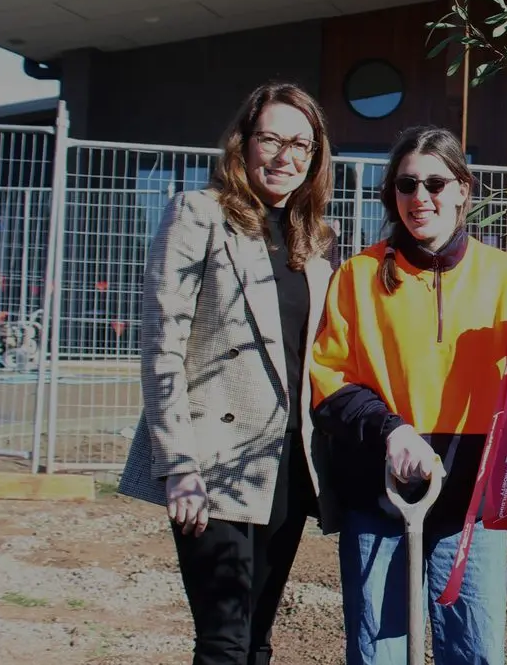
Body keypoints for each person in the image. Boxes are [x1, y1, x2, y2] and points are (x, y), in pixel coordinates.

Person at [309, 124, 507, 665]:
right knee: (380, 654)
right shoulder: (358, 276)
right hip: (380, 497)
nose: (420, 197)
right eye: (406, 184)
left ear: (463, 188)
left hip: (470, 505)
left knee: (475, 652)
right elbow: (329, 381)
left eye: (436, 183)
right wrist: (391, 429)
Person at [120, 81, 340, 665]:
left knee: (259, 640)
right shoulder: (200, 215)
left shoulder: (314, 243)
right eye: (270, 138)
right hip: (212, 458)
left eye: (301, 144)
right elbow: (161, 346)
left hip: (286, 463)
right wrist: (179, 465)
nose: (284, 156)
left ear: (315, 158)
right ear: (243, 144)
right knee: (223, 641)